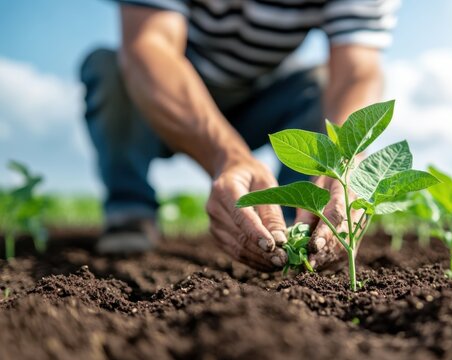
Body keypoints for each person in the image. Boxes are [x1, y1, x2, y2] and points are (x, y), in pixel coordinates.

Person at [81, 0, 399, 272]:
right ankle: (130, 210)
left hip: (261, 97)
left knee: (319, 84)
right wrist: (225, 154)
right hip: (163, 97)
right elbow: (149, 46)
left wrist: (344, 159)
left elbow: (356, 70)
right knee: (109, 68)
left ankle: (291, 228)